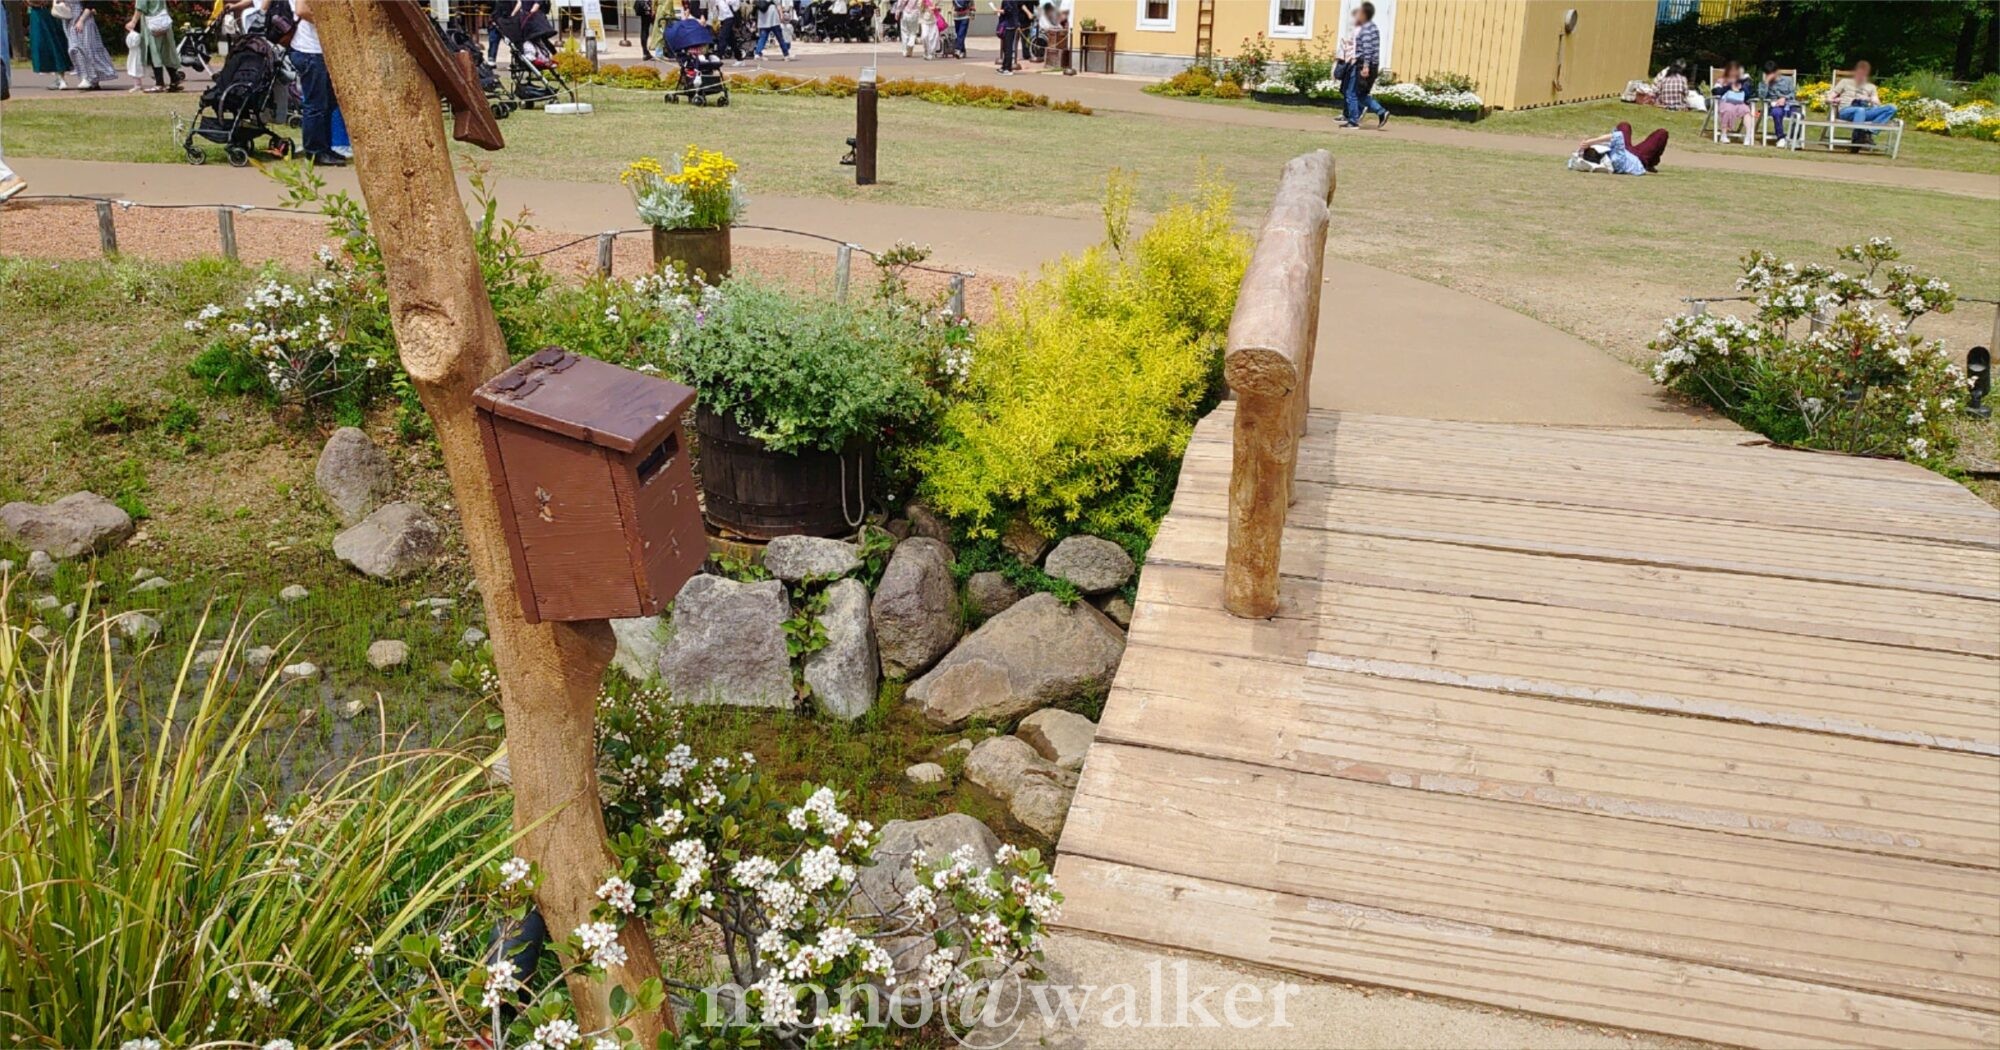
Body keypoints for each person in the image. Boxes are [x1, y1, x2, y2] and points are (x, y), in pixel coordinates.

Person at [287, 0, 342, 166]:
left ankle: (324, 147)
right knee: (316, 104)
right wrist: (329, 22)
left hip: (319, 50)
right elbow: (302, 10)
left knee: (327, 103)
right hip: (310, 50)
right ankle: (314, 151)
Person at [1828, 60, 1896, 144]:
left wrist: (1868, 99)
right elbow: (1829, 98)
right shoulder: (1845, 82)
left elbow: (1878, 103)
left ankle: (1869, 132)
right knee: (1860, 110)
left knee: (1892, 108)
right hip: (1847, 111)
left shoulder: (1871, 87)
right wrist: (1834, 100)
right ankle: (1857, 138)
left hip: (1866, 111)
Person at [1343, 1, 1387, 129]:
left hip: (1363, 64)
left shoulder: (1366, 29)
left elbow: (1367, 49)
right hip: (1368, 64)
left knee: (1352, 92)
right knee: (1359, 93)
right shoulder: (1372, 27)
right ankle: (1378, 112)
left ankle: (1354, 120)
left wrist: (1365, 66)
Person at [125, 0, 183, 93]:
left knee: (154, 52)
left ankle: (159, 83)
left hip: (152, 24)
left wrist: (133, 22)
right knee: (166, 51)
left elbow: (140, 7)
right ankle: (174, 78)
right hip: (164, 22)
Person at [64, 2, 120, 90]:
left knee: (87, 50)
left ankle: (90, 79)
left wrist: (81, 20)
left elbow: (91, 3)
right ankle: (86, 78)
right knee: (74, 49)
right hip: (69, 21)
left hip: (84, 20)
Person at [1569, 125, 1663, 176]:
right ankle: (1650, 164)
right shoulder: (1615, 159)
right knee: (1661, 133)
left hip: (1624, 150)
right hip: (1639, 158)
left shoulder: (1591, 161)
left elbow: (1573, 160)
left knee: (1624, 125)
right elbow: (1618, 135)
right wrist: (1592, 141)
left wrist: (1583, 147)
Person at [28, 0, 75, 89]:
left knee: (53, 44)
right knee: (52, 44)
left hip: (48, 11)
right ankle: (60, 78)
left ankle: (61, 79)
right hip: (47, 11)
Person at [1713, 60, 1754, 141]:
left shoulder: (1742, 82)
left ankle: (1748, 136)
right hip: (1726, 102)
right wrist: (1728, 87)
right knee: (1728, 109)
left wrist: (1743, 86)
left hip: (1739, 103)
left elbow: (1748, 95)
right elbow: (1715, 91)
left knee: (1746, 111)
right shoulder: (1721, 80)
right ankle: (1724, 135)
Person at [1759, 61, 1797, 146]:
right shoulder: (1764, 83)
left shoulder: (1788, 80)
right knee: (1777, 113)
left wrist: (1784, 98)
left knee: (1798, 115)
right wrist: (1766, 83)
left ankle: (1794, 138)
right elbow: (1762, 97)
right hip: (1775, 106)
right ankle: (1781, 137)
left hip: (1788, 103)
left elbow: (1793, 93)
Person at [996, 0, 1031, 75]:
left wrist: (1000, 11)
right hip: (1011, 24)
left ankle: (1008, 68)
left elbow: (1008, 10)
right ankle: (1004, 67)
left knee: (1008, 47)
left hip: (1009, 25)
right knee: (1006, 47)